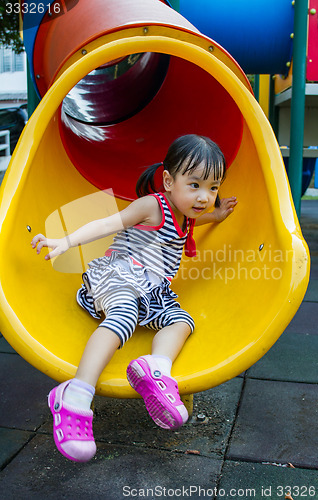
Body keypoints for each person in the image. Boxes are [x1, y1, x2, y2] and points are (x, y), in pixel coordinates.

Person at [31, 134, 237, 463]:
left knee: (182, 321)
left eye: (213, 187)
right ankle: (76, 394)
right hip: (119, 276)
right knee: (124, 316)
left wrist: (218, 216)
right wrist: (65, 241)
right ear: (168, 181)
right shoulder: (153, 206)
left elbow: (196, 220)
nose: (204, 196)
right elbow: (107, 223)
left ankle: (156, 368)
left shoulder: (185, 215)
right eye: (195, 184)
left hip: (152, 290)